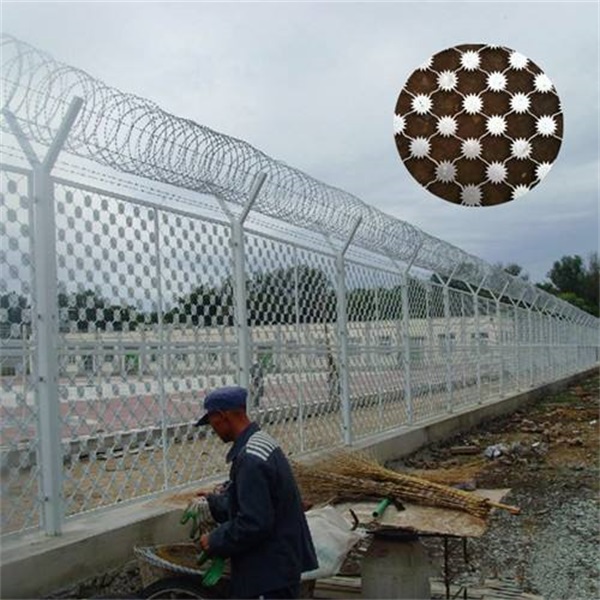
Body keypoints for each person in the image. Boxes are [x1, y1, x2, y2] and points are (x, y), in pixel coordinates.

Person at [194, 386, 318, 599]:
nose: (213, 429)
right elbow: (252, 501)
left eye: (212, 421)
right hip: (279, 565)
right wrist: (213, 501)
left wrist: (215, 540)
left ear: (222, 416)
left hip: (268, 573)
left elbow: (254, 522)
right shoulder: (261, 442)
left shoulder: (250, 459)